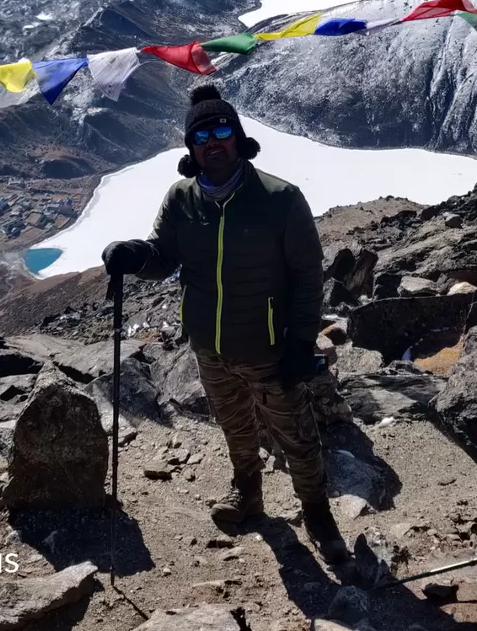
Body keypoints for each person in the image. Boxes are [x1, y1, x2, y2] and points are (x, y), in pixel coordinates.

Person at [102, 85, 348, 563]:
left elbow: (307, 274)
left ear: (238, 137)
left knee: (295, 434)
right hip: (209, 347)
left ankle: (317, 510)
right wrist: (135, 256)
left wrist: (300, 342)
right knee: (235, 428)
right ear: (190, 148)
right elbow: (163, 256)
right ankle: (247, 495)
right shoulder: (181, 198)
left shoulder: (280, 198)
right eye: (201, 135)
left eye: (221, 130)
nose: (212, 141)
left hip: (270, 347)